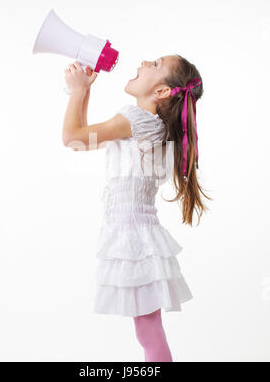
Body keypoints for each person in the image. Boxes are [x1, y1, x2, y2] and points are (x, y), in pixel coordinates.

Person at [62, 55, 212, 362]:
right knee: (148, 332)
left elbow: (71, 138)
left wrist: (77, 91)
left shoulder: (135, 119)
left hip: (132, 240)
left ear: (161, 92)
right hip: (140, 236)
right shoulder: (149, 125)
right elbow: (86, 140)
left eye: (155, 65)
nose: (144, 61)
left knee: (149, 332)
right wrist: (85, 91)